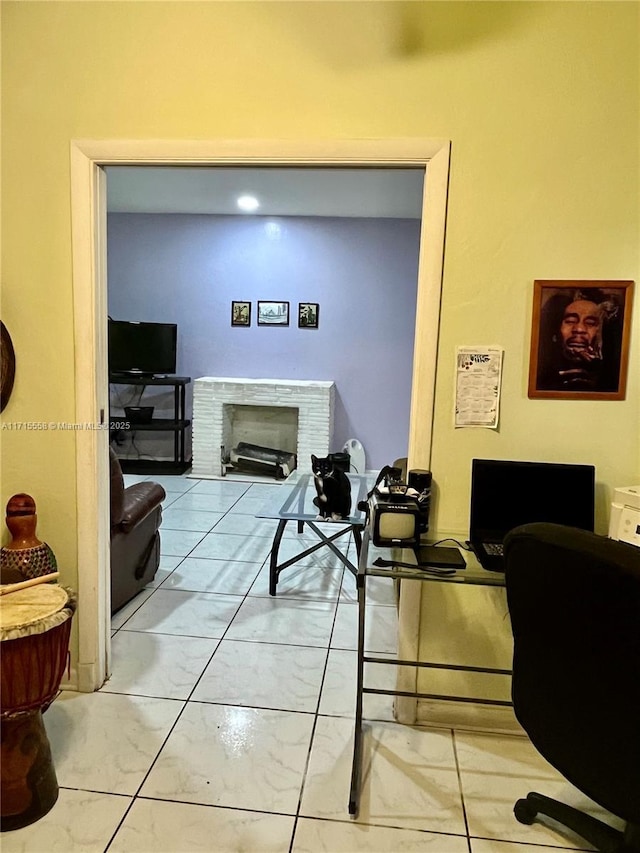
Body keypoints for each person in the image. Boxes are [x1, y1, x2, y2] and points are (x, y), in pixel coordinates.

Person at [536, 288, 623, 392]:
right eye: (570, 321)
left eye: (590, 323)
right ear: (555, 332)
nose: (579, 329)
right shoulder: (539, 375)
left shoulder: (615, 378)